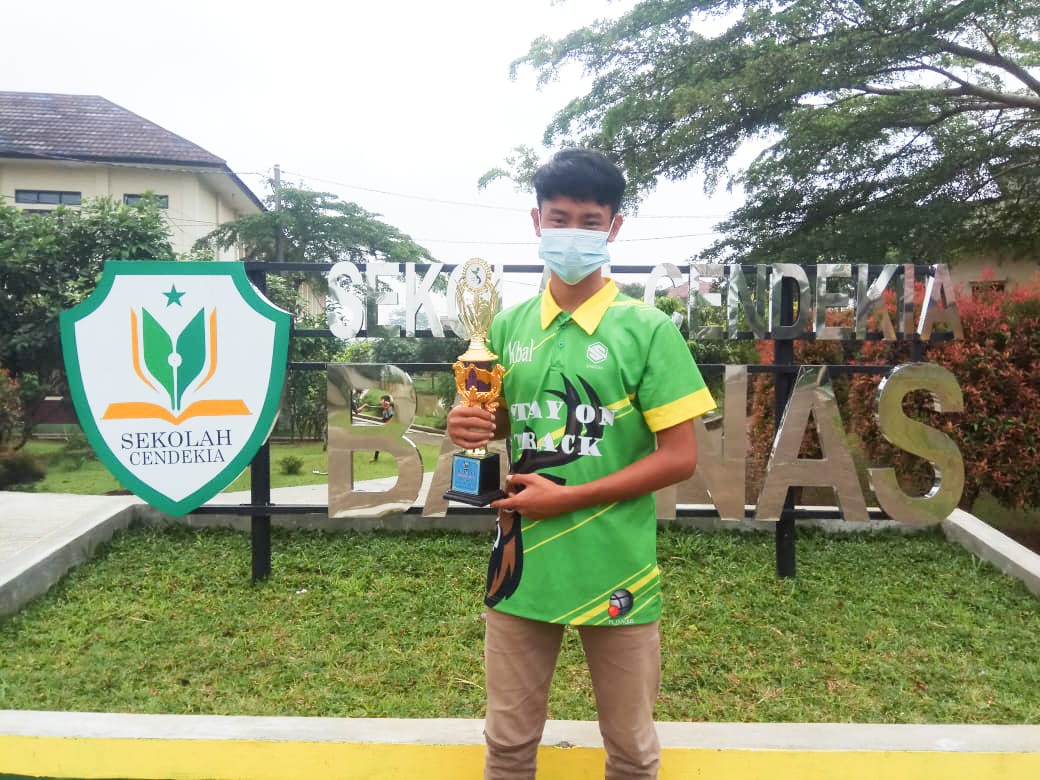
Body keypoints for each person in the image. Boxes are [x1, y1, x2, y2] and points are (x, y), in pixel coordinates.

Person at [446, 148, 716, 780]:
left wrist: (566, 499)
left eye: (590, 220)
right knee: (508, 747)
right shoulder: (505, 325)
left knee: (630, 750)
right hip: (519, 566)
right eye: (560, 217)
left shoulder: (646, 330)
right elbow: (508, 423)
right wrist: (470, 424)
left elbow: (679, 457)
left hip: (615, 564)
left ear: (613, 227)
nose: (574, 232)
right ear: (537, 221)